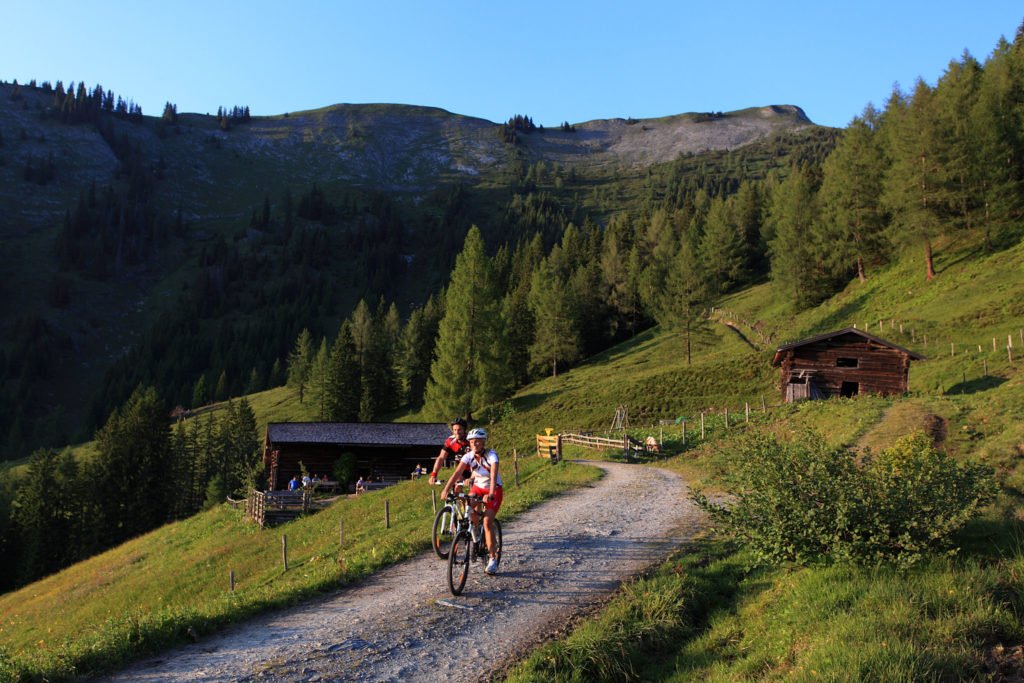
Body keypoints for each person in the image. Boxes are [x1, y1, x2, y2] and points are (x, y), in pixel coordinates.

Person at [441, 427, 503, 575]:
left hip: (493, 490)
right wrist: (446, 489)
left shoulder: (491, 455)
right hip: (477, 488)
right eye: (473, 442)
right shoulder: (468, 456)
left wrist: (492, 493)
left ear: (483, 442)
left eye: (478, 442)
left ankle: (492, 558)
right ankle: (475, 535)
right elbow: (457, 473)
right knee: (469, 512)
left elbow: (493, 474)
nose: (475, 444)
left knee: (487, 522)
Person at [429, 418, 470, 485]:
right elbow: (441, 458)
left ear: (464, 430)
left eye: (459, 430)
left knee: (474, 492)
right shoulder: (450, 441)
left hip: (475, 469)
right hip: (463, 469)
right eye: (455, 430)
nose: (457, 432)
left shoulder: (471, 440)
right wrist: (434, 475)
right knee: (457, 485)